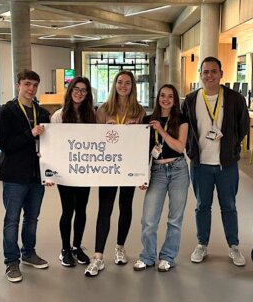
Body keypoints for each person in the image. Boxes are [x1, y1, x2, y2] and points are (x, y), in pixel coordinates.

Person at [181, 56, 249, 266]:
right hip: (200, 165)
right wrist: (191, 151)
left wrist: (230, 148)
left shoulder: (235, 99)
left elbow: (243, 127)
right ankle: (202, 244)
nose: (209, 75)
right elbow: (184, 128)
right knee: (202, 206)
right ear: (200, 75)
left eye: (213, 71)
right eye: (205, 72)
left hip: (226, 165)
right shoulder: (191, 100)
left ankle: (234, 246)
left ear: (221, 73)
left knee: (229, 205)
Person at [85, 70, 146, 277]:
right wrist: (105, 129)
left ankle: (120, 247)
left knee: (126, 207)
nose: (123, 86)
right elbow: (95, 140)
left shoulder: (139, 111)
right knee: (105, 208)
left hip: (128, 167)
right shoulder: (103, 110)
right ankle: (98, 256)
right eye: (119, 82)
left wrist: (135, 129)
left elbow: (141, 142)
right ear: (114, 84)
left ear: (132, 87)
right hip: (109, 167)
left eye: (127, 83)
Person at [0, 69, 50, 283]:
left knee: (32, 219)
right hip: (14, 175)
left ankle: (29, 253)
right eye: (27, 84)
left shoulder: (43, 113)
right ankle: (11, 261)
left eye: (35, 85)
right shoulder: (7, 111)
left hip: (37, 175)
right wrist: (30, 135)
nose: (31, 89)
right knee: (12, 220)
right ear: (18, 84)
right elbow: (5, 145)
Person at [134, 84, 189, 273]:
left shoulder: (181, 119)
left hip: (178, 170)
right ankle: (147, 256)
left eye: (170, 96)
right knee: (149, 219)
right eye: (162, 96)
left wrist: (162, 131)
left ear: (175, 101)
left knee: (175, 219)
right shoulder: (148, 120)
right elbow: (141, 149)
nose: (165, 99)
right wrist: (141, 175)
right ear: (158, 98)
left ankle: (168, 257)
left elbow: (180, 147)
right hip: (157, 172)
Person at [51, 77, 96, 267]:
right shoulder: (58, 116)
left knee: (81, 210)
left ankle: (77, 247)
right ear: (70, 91)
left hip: (84, 171)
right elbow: (52, 144)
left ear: (87, 95)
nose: (79, 93)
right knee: (67, 209)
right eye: (76, 89)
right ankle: (65, 249)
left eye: (84, 90)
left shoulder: (92, 116)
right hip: (65, 171)